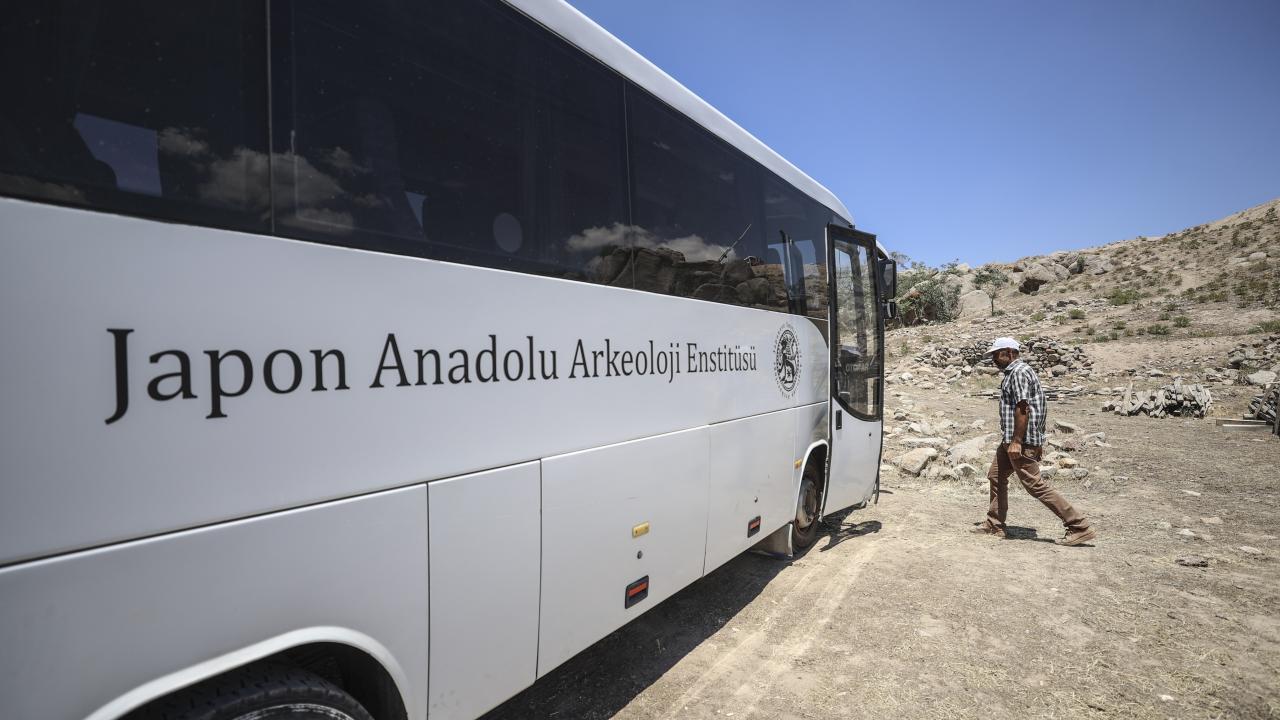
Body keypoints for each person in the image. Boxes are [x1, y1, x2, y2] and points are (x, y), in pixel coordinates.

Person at [972, 337, 1096, 546]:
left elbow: (1023, 408)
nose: (994, 359)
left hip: (1020, 440)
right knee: (996, 475)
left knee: (1034, 485)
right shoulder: (1015, 372)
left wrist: (1018, 441)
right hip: (1012, 438)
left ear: (1009, 352)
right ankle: (995, 523)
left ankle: (1078, 525)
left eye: (996, 354)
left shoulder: (1019, 372)